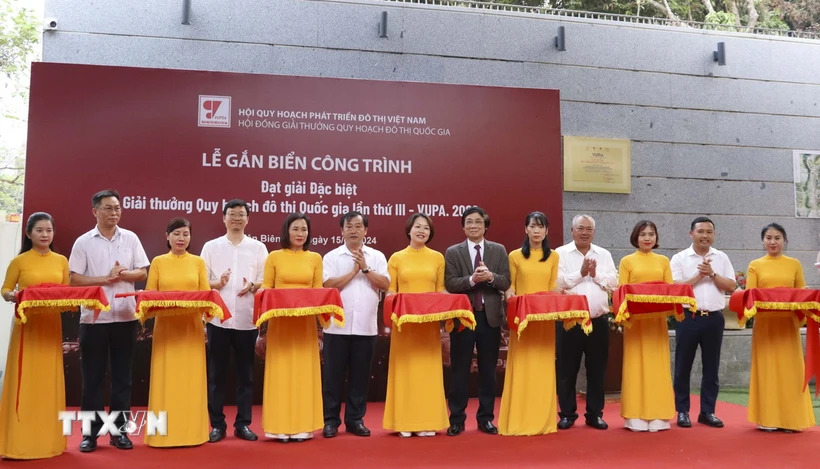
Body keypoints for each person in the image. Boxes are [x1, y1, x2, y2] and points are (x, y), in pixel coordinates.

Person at [68, 189, 149, 452]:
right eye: (108, 208)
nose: (114, 213)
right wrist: (106, 278)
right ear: (95, 211)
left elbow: (142, 272)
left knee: (123, 378)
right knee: (92, 379)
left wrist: (124, 274)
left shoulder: (130, 238)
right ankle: (90, 435)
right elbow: (74, 279)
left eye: (117, 208)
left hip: (125, 317)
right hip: (94, 319)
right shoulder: (83, 242)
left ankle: (119, 433)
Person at [0, 213, 69, 459]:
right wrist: (13, 296)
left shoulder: (61, 261)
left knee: (48, 380)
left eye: (48, 230)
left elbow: (66, 292)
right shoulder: (19, 261)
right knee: (25, 378)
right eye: (39, 230)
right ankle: (19, 441)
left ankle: (48, 440)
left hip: (51, 326)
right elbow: (5, 289)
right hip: (27, 326)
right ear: (29, 234)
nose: (45, 234)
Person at [200, 199, 267, 443]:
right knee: (216, 375)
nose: (236, 218)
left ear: (248, 219)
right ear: (224, 218)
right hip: (218, 319)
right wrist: (217, 283)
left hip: (246, 320)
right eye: (232, 214)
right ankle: (217, 425)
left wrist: (253, 285)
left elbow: (266, 281)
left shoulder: (258, 248)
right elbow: (201, 281)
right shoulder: (211, 247)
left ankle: (243, 424)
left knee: (245, 375)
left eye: (241, 214)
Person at [321, 211, 389, 438]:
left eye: (358, 226)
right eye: (348, 226)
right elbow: (328, 285)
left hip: (365, 327)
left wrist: (366, 269)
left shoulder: (376, 256)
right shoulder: (331, 257)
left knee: (360, 377)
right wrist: (354, 271)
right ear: (341, 230)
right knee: (333, 377)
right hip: (336, 327)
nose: (353, 230)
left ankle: (355, 420)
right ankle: (330, 421)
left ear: (366, 230)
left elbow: (385, 283)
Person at [144, 218, 210, 447]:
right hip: (166, 329)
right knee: (166, 379)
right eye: (177, 234)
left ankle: (193, 433)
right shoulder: (158, 262)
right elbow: (149, 295)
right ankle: (162, 434)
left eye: (186, 234)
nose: (181, 238)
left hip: (191, 328)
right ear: (167, 236)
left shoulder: (198, 262)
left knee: (191, 380)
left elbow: (206, 296)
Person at [444, 206, 510, 436]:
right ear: (463, 227)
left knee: (488, 370)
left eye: (478, 222)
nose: (473, 226)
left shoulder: (498, 250)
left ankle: (486, 419)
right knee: (459, 369)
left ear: (485, 226)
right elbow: (450, 283)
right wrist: (472, 280)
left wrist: (491, 277)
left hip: (490, 318)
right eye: (469, 222)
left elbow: (506, 281)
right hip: (464, 317)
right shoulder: (453, 252)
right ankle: (457, 419)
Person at [383, 213, 448, 437]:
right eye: (418, 227)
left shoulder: (437, 258)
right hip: (405, 325)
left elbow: (441, 290)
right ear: (409, 230)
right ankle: (404, 422)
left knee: (427, 372)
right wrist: (394, 302)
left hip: (428, 325)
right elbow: (391, 290)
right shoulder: (396, 258)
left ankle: (427, 421)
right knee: (406, 371)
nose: (422, 231)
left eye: (426, 228)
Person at [260, 212, 323, 442]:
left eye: (304, 229)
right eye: (295, 228)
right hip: (280, 324)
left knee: (304, 373)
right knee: (281, 371)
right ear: (287, 231)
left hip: (305, 324)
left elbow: (318, 291)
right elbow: (266, 287)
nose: (300, 233)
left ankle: (303, 425)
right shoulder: (274, 257)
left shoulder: (315, 258)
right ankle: (278, 426)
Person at [746, 223, 814, 432]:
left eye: (777, 238)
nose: (773, 242)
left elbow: (801, 291)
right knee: (767, 370)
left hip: (787, 325)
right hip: (765, 325)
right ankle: (768, 418)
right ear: (763, 241)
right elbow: (750, 295)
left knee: (791, 371)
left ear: (785, 240)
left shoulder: (794, 264)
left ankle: (793, 420)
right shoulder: (755, 265)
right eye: (768, 238)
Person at [498, 211, 561, 436]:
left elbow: (553, 287)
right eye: (532, 226)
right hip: (523, 320)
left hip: (544, 320)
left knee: (543, 367)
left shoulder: (553, 257)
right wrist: (511, 297)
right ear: (525, 229)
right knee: (523, 367)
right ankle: (518, 419)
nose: (536, 231)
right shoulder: (515, 256)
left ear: (546, 230)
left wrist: (567, 295)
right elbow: (511, 287)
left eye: (541, 226)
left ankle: (543, 421)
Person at [670, 217, 736, 429]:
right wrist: (699, 275)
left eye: (709, 232)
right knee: (683, 366)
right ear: (691, 234)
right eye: (700, 231)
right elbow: (676, 288)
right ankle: (682, 411)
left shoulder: (721, 257)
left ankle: (708, 412)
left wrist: (712, 274)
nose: (705, 235)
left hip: (714, 318)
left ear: (714, 235)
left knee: (711, 367)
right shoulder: (680, 258)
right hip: (688, 317)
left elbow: (731, 285)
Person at [555, 214, 617, 430]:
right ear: (572, 231)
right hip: (570, 321)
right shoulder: (560, 253)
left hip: (598, 320)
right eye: (580, 228)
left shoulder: (604, 254)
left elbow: (613, 282)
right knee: (566, 369)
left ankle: (594, 414)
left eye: (588, 229)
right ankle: (567, 414)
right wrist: (581, 274)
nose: (584, 232)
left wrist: (595, 274)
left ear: (594, 232)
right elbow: (558, 282)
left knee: (597, 370)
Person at [617, 220, 675, 432]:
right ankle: (635, 414)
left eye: (651, 234)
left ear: (656, 237)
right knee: (635, 364)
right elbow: (621, 291)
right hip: (635, 323)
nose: (647, 238)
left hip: (657, 322)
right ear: (636, 237)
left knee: (657, 365)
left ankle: (660, 414)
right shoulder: (627, 261)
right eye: (643, 234)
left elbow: (670, 291)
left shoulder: (663, 261)